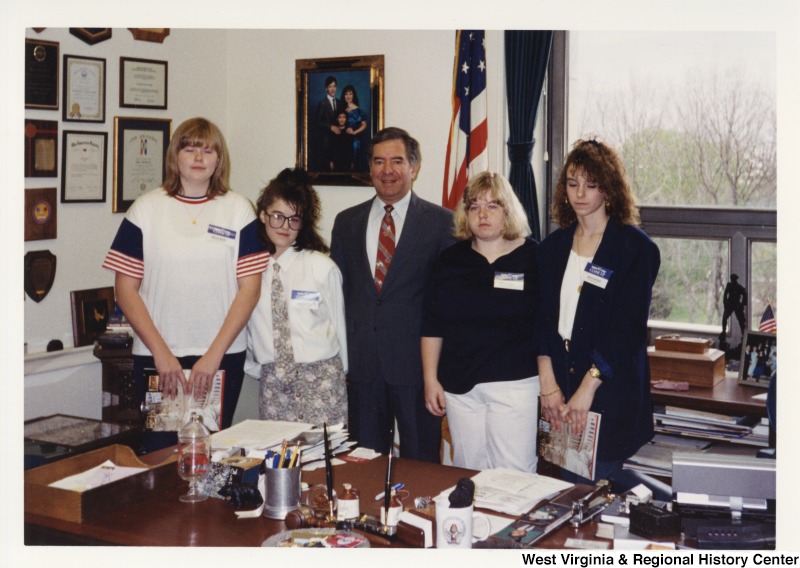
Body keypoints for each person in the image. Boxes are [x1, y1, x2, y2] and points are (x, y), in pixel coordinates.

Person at [103, 117, 268, 451]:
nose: (198, 158)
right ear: (174, 156)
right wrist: (161, 354)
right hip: (158, 357)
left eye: (208, 151)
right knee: (161, 450)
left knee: (210, 452)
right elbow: (125, 288)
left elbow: (249, 289)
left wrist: (213, 356)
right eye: (190, 148)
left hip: (221, 357)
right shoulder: (145, 209)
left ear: (219, 160)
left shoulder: (238, 210)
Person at [537, 138, 660, 483]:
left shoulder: (635, 248)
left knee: (595, 497)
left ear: (608, 190)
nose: (580, 194)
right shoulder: (551, 248)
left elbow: (628, 330)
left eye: (591, 185)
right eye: (573, 184)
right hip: (558, 384)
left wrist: (586, 390)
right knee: (559, 491)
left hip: (605, 386)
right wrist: (548, 384)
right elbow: (542, 322)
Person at [330, 127, 455, 462]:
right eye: (379, 161)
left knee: (422, 465)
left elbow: (448, 303)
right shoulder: (346, 223)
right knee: (363, 465)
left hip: (417, 369)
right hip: (363, 368)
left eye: (397, 161)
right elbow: (336, 296)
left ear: (414, 167)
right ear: (369, 168)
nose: (388, 170)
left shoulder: (443, 224)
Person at [421, 172, 540, 472]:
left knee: (513, 476)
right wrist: (430, 379)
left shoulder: (534, 258)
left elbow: (546, 326)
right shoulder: (449, 261)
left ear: (508, 211)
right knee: (468, 472)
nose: (483, 214)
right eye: (474, 206)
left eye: (493, 206)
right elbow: (432, 325)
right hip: (461, 389)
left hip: (514, 385)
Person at [246, 167, 348, 426]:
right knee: (280, 457)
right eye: (277, 216)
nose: (284, 226)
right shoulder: (249, 270)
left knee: (323, 456)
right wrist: (261, 368)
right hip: (273, 383)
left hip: (322, 380)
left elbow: (339, 327)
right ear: (262, 215)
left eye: (294, 219)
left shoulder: (321, 266)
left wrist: (340, 373)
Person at [313, 75, 346, 171]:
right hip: (327, 137)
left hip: (339, 136)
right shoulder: (322, 103)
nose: (332, 89)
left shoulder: (340, 103)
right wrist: (330, 127)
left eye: (334, 86)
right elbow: (317, 122)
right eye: (330, 86)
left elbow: (344, 118)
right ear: (326, 89)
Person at [341, 85, 368, 172]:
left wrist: (354, 132)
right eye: (346, 94)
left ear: (353, 95)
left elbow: (364, 125)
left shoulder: (358, 109)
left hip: (353, 138)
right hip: (342, 136)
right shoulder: (341, 107)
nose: (348, 96)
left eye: (350, 94)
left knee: (355, 145)